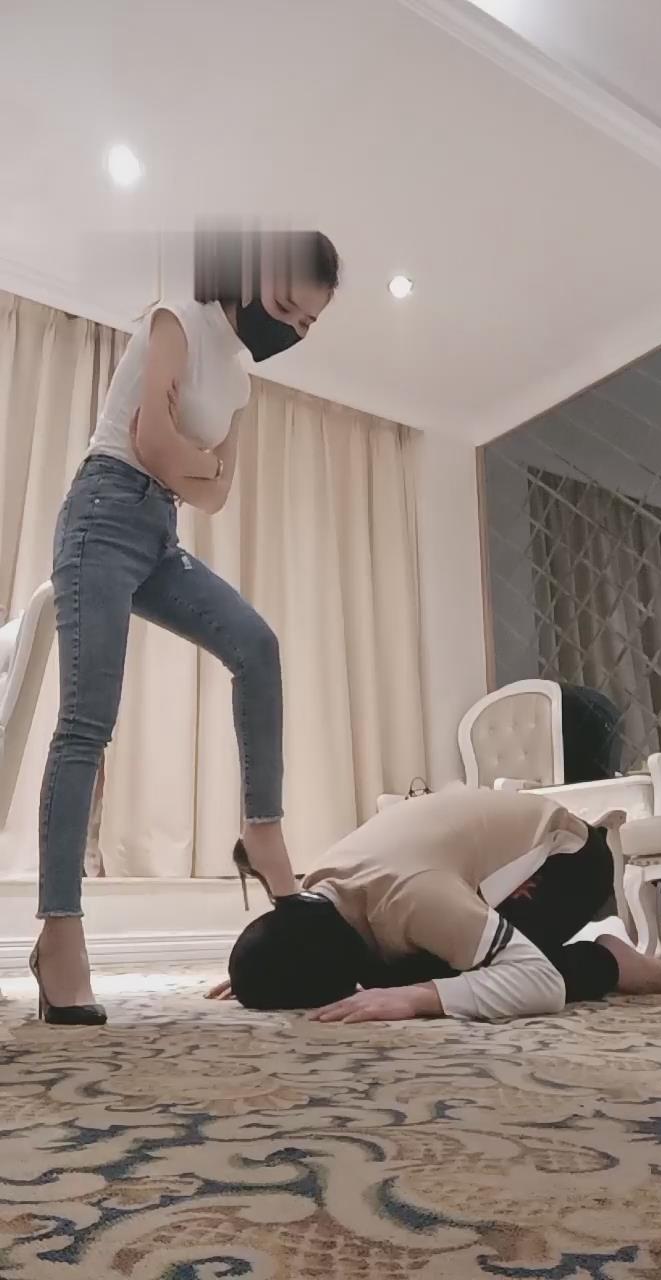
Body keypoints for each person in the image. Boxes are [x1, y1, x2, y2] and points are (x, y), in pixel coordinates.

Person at [32, 229, 340, 1026]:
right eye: (285, 306)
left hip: (159, 533)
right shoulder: (176, 316)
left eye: (306, 324)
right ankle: (59, 933)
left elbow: (214, 493)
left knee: (256, 645)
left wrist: (183, 458)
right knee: (87, 721)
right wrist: (185, 459)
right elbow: (146, 443)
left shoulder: (238, 382)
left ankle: (262, 833)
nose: (290, 329)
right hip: (101, 513)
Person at [211, 785, 661, 1022]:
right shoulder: (320, 887)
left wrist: (418, 998)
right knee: (398, 968)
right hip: (485, 865)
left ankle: (607, 960)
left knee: (403, 980)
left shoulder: (412, 899)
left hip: (572, 862)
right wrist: (267, 964)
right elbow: (299, 931)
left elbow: (540, 984)